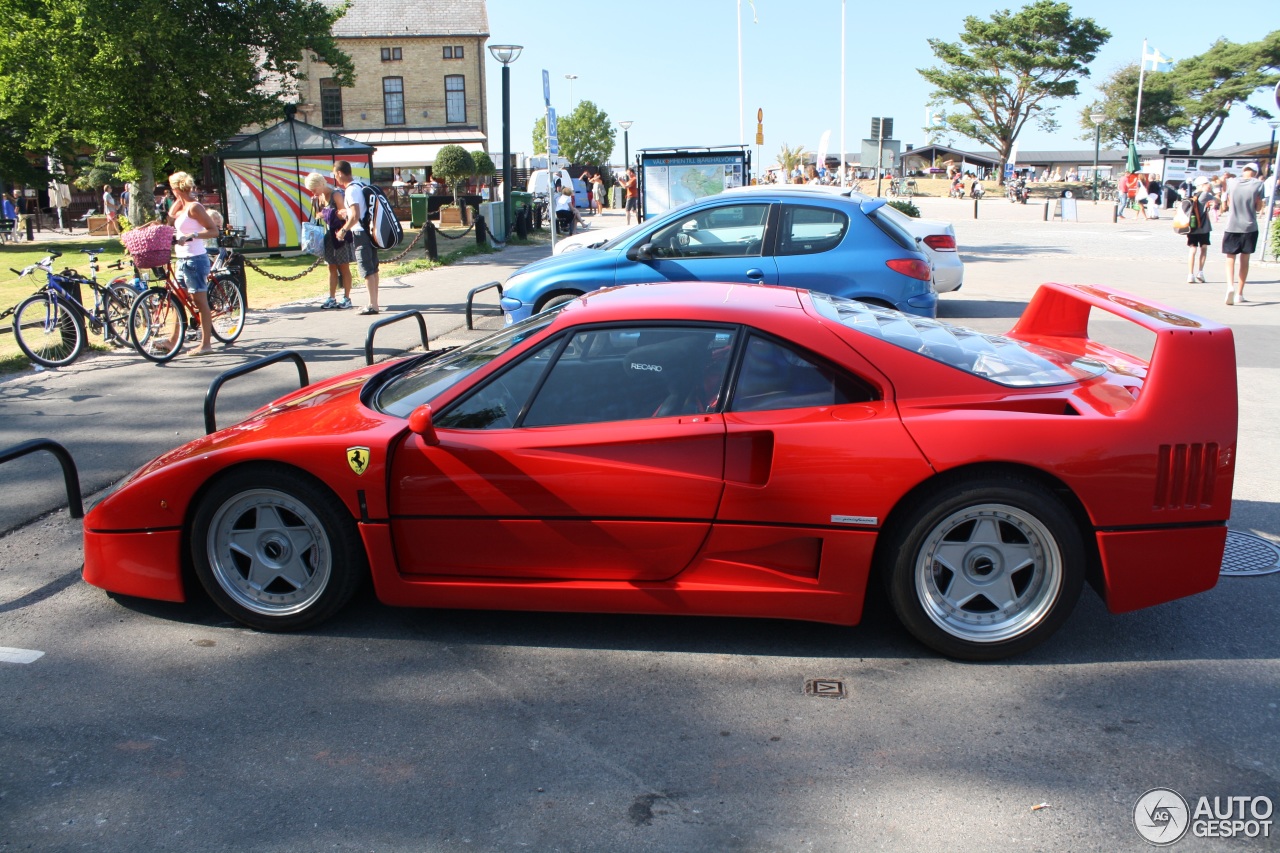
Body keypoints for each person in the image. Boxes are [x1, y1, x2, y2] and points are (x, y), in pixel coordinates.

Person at [167, 171, 219, 355]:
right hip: (182, 258)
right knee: (177, 298)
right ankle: (172, 341)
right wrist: (179, 198)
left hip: (195, 258)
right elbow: (170, 216)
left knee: (200, 302)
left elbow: (213, 231)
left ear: (175, 188)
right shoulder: (181, 207)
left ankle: (206, 345)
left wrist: (194, 234)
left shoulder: (194, 207)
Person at [331, 160, 380, 315]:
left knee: (366, 270)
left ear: (339, 173)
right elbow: (359, 211)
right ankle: (374, 302)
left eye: (335, 175)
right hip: (369, 231)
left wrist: (343, 230)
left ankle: (372, 305)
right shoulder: (359, 185)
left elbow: (356, 215)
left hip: (360, 233)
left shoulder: (350, 190)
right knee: (373, 268)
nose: (335, 178)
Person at [304, 171, 354, 310]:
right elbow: (319, 215)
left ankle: (347, 298)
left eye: (314, 189)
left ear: (321, 184)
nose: (313, 192)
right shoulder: (319, 197)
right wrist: (318, 208)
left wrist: (325, 213)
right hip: (329, 236)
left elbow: (344, 214)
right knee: (331, 268)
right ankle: (331, 298)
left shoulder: (336, 194)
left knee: (344, 267)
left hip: (340, 235)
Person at [1220, 162, 1266, 305]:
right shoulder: (1258, 185)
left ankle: (1230, 286)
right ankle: (1239, 293)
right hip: (1249, 226)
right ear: (1255, 172)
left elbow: (1226, 203)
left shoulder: (1232, 183)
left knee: (1230, 258)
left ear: (1244, 170)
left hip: (1232, 225)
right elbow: (1258, 207)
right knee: (1244, 260)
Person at [1185, 176, 1216, 284]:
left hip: (1192, 226)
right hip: (1203, 227)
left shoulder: (1190, 195)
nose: (1209, 185)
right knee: (1203, 248)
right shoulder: (1205, 195)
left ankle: (1190, 274)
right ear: (1203, 185)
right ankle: (1200, 272)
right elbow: (1217, 200)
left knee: (1192, 249)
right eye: (1207, 184)